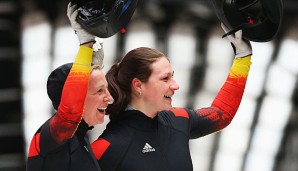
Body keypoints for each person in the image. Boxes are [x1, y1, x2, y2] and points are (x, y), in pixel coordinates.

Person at [90, 23, 253, 171]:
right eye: (165, 78)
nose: (176, 85)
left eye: (172, 77)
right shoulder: (104, 149)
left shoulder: (178, 119)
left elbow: (221, 114)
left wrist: (242, 56)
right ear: (138, 85)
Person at [26, 3, 113, 171]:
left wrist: (95, 45)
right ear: (75, 95)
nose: (110, 98)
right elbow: (70, 113)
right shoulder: (50, 137)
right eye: (99, 91)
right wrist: (86, 45)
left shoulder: (81, 137)